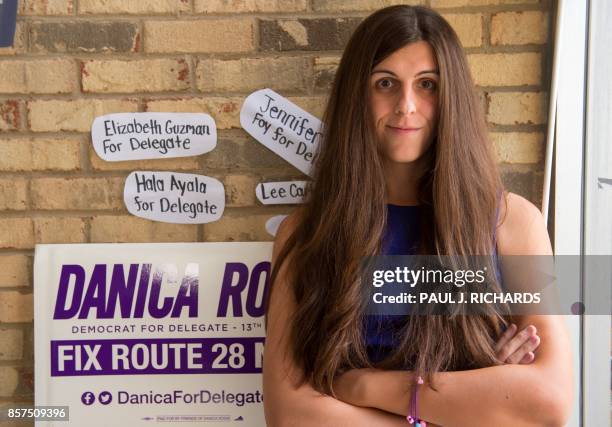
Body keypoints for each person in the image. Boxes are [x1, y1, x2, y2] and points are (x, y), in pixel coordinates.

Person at [262, 5, 573, 426]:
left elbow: (549, 403)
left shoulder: (513, 224)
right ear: (358, 94)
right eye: (385, 83)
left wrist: (361, 386)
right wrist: (473, 404)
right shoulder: (306, 233)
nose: (406, 105)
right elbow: (290, 414)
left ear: (452, 97)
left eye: (427, 85)